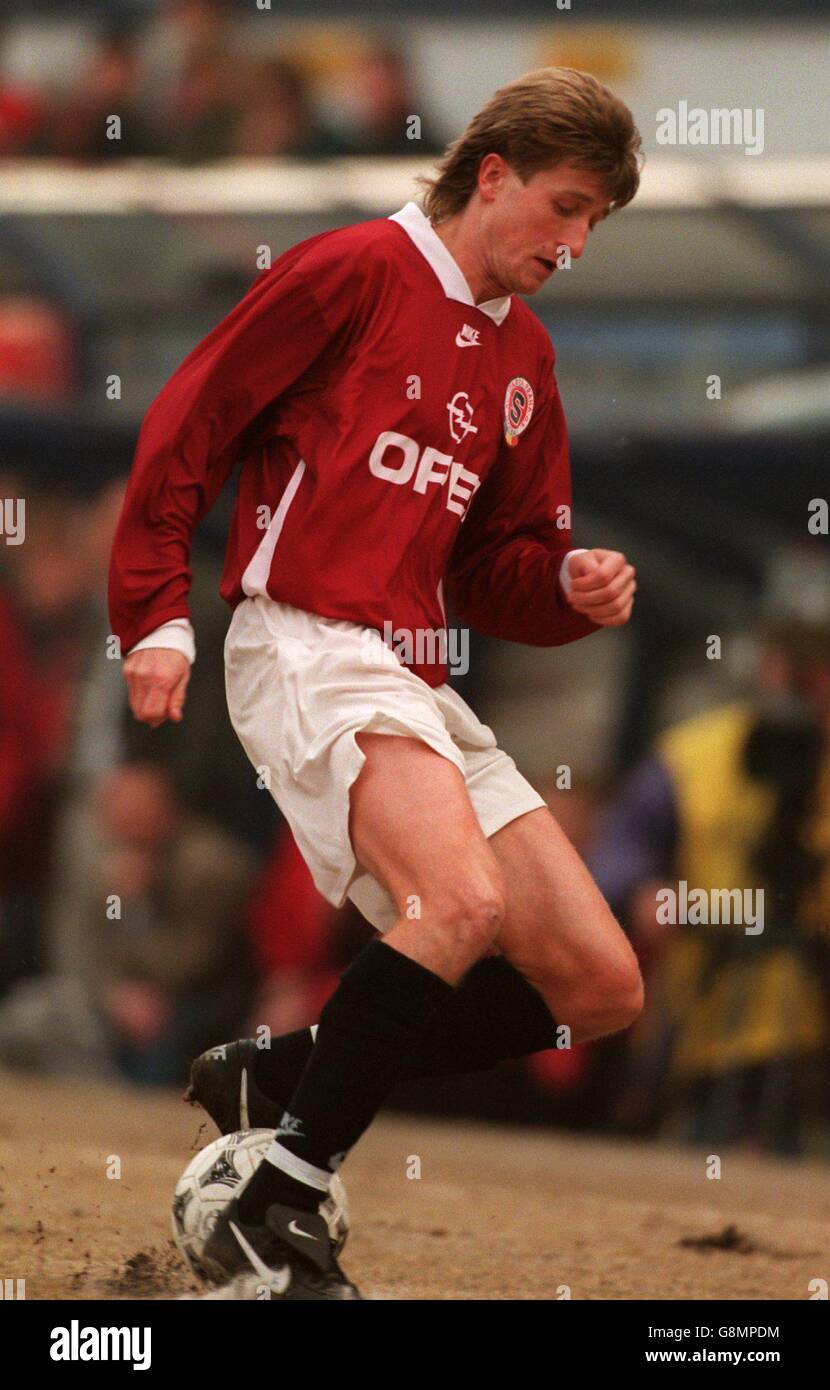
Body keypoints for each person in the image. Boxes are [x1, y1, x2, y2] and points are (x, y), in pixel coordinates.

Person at [109, 66, 643, 1300]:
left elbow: (496, 568)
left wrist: (562, 589)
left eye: (594, 226)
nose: (573, 245)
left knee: (598, 986)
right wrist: (156, 615)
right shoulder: (349, 271)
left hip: (410, 669)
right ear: (491, 173)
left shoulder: (527, 359)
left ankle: (277, 1077)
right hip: (301, 639)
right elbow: (189, 428)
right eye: (563, 209)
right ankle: (275, 1200)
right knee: (452, 904)